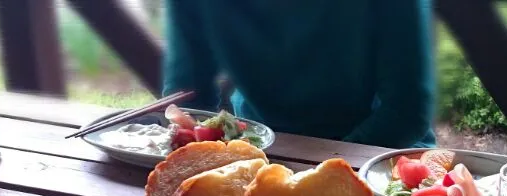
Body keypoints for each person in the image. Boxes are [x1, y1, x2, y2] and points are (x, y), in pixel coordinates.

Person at [162, 0, 436, 148]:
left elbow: (406, 111)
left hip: (380, 156)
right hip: (260, 147)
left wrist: (325, 168)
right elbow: (187, 98)